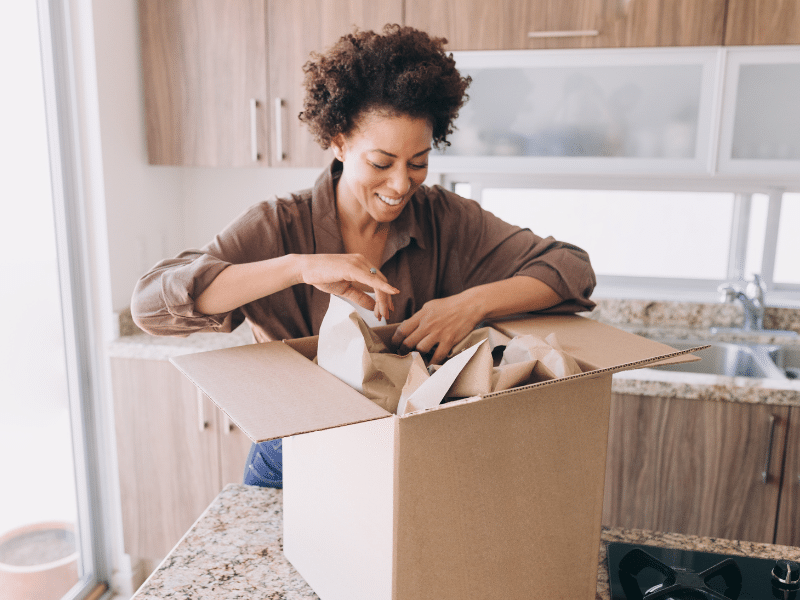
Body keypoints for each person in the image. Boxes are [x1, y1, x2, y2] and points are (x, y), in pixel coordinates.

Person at [131, 24, 597, 489]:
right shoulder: (279, 225)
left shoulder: (444, 219)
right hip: (295, 454)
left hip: (411, 450)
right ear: (338, 142)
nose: (400, 185)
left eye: (418, 162)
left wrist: (469, 304)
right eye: (381, 162)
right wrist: (299, 267)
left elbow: (570, 268)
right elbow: (151, 306)